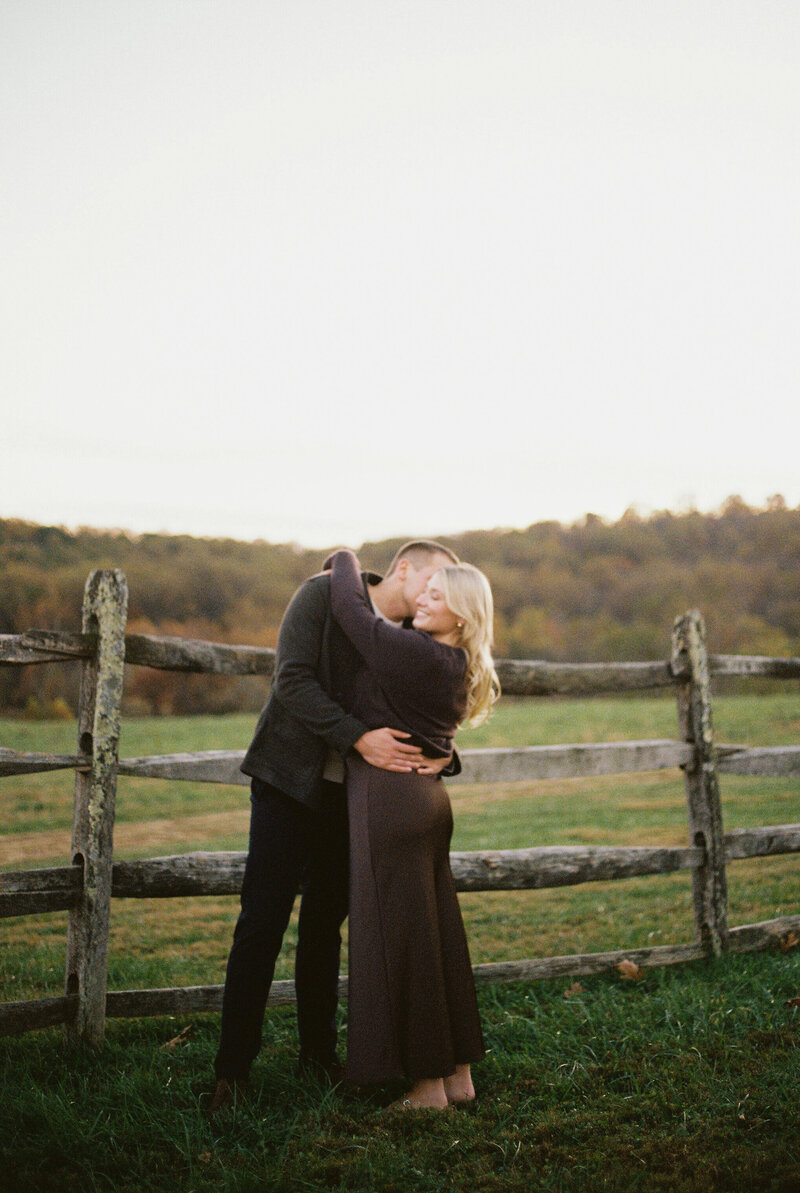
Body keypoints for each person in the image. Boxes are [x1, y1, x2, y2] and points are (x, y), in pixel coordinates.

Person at [210, 540, 460, 1113]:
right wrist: (356, 735)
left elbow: (432, 704)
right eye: (432, 581)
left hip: (352, 801)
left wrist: (448, 755)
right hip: (288, 782)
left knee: (324, 928)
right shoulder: (323, 595)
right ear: (404, 568)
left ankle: (318, 1057)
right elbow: (292, 681)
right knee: (262, 922)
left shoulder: (417, 639)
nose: (434, 595)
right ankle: (232, 1072)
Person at [326, 547, 499, 1110]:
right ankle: (458, 1079)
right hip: (426, 802)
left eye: (437, 596)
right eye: (424, 592)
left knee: (402, 943)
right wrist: (446, 754)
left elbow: (354, 616)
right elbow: (436, 734)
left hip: (390, 801)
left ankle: (426, 1090)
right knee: (439, 935)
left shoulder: (416, 653)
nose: (423, 601)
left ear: (463, 617)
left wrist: (346, 558)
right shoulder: (452, 661)